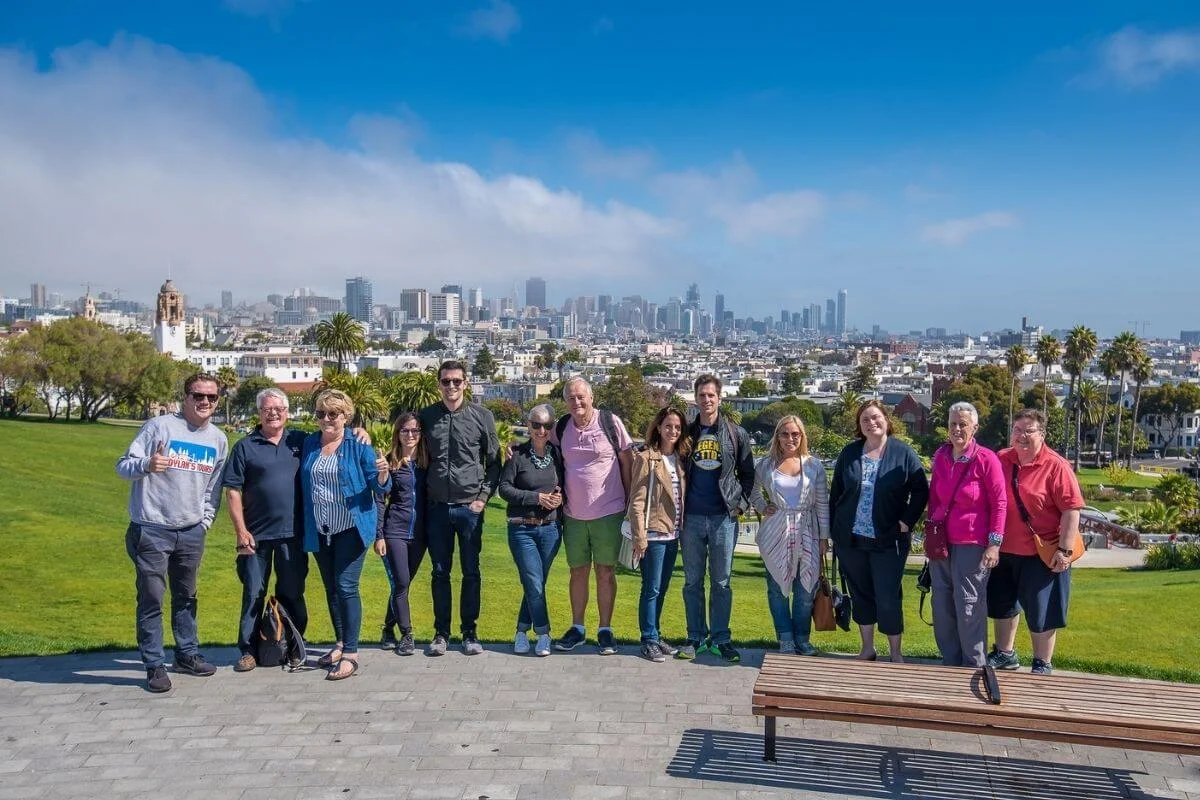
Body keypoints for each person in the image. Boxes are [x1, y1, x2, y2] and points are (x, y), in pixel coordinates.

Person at [116, 373, 229, 693]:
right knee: (151, 598)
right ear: (186, 397)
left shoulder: (218, 439)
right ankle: (154, 664)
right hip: (152, 529)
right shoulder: (159, 426)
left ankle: (186, 654)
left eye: (211, 397)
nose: (205, 402)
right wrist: (147, 465)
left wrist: (204, 522)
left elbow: (213, 488)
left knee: (186, 596)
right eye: (198, 395)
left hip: (191, 531)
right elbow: (122, 466)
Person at [829, 399, 929, 663]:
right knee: (861, 594)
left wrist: (907, 521)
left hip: (889, 540)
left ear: (887, 420)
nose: (871, 423)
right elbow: (836, 493)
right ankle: (868, 648)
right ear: (859, 427)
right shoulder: (849, 453)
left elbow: (921, 490)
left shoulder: (903, 453)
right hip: (851, 540)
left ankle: (896, 653)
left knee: (887, 596)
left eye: (876, 418)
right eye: (865, 420)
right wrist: (832, 532)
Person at [300, 389, 391, 680]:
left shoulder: (359, 445)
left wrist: (382, 474)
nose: (327, 419)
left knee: (346, 585)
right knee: (331, 588)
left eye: (333, 414)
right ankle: (340, 643)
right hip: (320, 528)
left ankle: (351, 654)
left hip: (351, 528)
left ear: (346, 417)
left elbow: (379, 489)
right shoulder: (309, 443)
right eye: (321, 414)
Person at [986, 409, 1084, 676]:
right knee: (1003, 605)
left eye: (1028, 431)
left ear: (1042, 434)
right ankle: (1005, 653)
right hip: (1003, 550)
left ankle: (1042, 662)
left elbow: (1071, 510)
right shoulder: (1002, 459)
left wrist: (1064, 551)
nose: (1022, 436)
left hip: (1042, 553)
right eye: (1017, 430)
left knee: (1042, 611)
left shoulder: (1056, 465)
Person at [222, 388, 309, 673]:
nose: (273, 413)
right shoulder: (245, 446)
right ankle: (247, 650)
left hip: (292, 536)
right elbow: (233, 491)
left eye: (279, 408)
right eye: (267, 409)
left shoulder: (299, 441)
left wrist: (361, 435)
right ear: (259, 413)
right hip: (255, 537)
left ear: (287, 411)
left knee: (293, 592)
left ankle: (295, 646)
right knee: (253, 593)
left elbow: (334, 439)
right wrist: (240, 531)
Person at [419, 360, 500, 656]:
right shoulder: (427, 416)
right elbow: (405, 444)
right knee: (440, 572)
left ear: (466, 383)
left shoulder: (482, 416)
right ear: (438, 384)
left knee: (471, 572)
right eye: (445, 381)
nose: (451, 386)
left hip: (469, 508)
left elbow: (494, 463)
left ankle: (469, 632)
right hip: (437, 508)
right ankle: (441, 633)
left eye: (456, 381)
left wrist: (482, 498)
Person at [552, 376, 634, 655]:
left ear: (591, 397)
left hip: (609, 511)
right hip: (573, 514)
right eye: (571, 398)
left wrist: (628, 503)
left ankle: (605, 629)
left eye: (581, 397)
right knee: (577, 572)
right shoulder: (561, 427)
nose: (576, 402)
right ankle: (577, 628)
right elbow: (541, 447)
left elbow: (627, 461)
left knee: (605, 572)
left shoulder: (610, 423)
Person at [678, 374, 755, 662]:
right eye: (702, 395)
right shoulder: (687, 434)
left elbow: (749, 474)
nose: (707, 400)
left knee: (721, 582)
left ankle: (721, 638)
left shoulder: (736, 434)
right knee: (692, 581)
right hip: (692, 517)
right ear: (695, 399)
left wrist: (741, 504)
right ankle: (695, 637)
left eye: (711, 395)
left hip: (723, 517)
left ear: (719, 398)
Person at [926, 402, 1007, 668]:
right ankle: (950, 661)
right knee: (942, 603)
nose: (957, 429)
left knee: (969, 605)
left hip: (972, 544)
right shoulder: (941, 456)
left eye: (963, 424)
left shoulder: (986, 459)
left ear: (975, 427)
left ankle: (973, 664)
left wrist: (994, 543)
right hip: (942, 543)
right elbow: (935, 497)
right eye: (953, 424)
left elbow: (999, 503)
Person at [750, 416, 829, 656]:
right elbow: (752, 491)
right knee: (777, 589)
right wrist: (764, 507)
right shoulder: (766, 465)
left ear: (802, 436)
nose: (790, 438)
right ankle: (785, 638)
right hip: (776, 532)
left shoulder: (814, 465)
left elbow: (822, 504)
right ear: (777, 436)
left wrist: (824, 538)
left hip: (807, 530)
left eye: (795, 434)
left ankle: (802, 639)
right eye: (785, 434)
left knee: (805, 591)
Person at [498, 403, 565, 657]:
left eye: (547, 425)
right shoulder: (517, 454)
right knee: (535, 583)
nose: (541, 430)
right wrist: (536, 498)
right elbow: (505, 489)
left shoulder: (558, 455)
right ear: (528, 425)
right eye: (536, 424)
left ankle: (520, 631)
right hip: (522, 529)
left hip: (550, 530)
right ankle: (544, 633)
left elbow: (566, 484)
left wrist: (559, 498)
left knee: (534, 583)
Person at [627, 407, 690, 662]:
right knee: (651, 588)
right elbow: (637, 501)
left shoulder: (680, 458)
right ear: (658, 427)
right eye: (668, 426)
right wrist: (639, 537)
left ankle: (655, 633)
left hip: (672, 533)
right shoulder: (647, 458)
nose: (672, 431)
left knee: (662, 588)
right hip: (653, 534)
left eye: (677, 427)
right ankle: (648, 638)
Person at [374, 412, 428, 657]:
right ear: (398, 433)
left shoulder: (428, 463)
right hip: (394, 531)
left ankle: (387, 628)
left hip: (420, 534)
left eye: (415, 431)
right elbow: (379, 500)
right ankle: (407, 634)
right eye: (405, 430)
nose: (410, 435)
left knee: (401, 585)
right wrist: (379, 535)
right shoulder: (389, 462)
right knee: (402, 583)